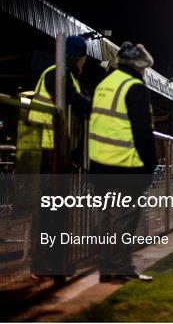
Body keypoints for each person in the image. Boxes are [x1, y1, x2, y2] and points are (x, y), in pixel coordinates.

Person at [89, 42, 156, 283]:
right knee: (124, 220)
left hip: (99, 165)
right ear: (138, 67)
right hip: (124, 165)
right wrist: (150, 166)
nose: (145, 73)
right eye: (144, 69)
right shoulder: (135, 87)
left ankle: (107, 269)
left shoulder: (103, 85)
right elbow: (142, 133)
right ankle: (121, 268)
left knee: (105, 219)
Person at [27, 35, 91, 282]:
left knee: (54, 210)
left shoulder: (62, 74)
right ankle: (47, 263)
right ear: (78, 57)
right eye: (84, 58)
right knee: (51, 211)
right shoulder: (59, 74)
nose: (85, 63)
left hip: (54, 151)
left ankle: (53, 261)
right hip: (48, 151)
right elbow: (77, 102)